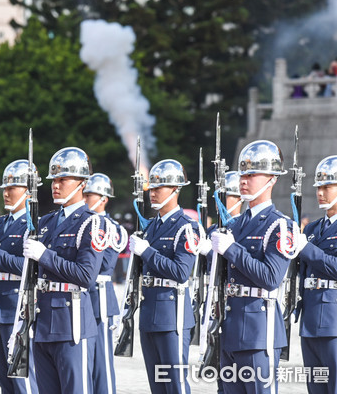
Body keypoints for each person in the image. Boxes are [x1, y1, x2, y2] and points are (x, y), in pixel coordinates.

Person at [210, 140, 299, 393]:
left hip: (260, 332)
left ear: (272, 179)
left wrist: (231, 249)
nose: (243, 180)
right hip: (229, 328)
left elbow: (271, 277)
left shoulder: (280, 225)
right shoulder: (234, 226)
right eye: (242, 173)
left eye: (251, 174)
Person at [22, 147, 105, 393]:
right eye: (53, 180)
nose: (55, 185)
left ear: (81, 183)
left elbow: (86, 276)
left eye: (62, 180)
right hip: (43, 320)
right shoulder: (45, 223)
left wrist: (44, 255)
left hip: (71, 324)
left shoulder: (91, 222)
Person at [128, 159, 198, 394]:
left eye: (160, 188)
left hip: (172, 317)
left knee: (175, 385)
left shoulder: (186, 227)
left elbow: (180, 272)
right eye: (152, 187)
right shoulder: (151, 227)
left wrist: (146, 251)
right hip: (150, 315)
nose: (153, 193)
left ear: (176, 189)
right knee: (157, 387)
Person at [0, 159, 39, 394]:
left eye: (13, 187)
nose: (6, 192)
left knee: (22, 380)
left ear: (28, 190)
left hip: (17, 306)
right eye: (5, 188)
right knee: (4, 379)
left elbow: (31, 267)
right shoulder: (0, 224)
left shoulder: (34, 225)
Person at [296, 155, 337, 394]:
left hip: (333, 321)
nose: (320, 192)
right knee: (316, 388)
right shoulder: (311, 229)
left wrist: (306, 249)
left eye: (327, 187)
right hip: (310, 320)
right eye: (318, 187)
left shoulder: (309, 237)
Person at [83, 173, 127, 394]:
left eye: (89, 195)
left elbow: (103, 264)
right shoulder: (81, 224)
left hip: (99, 298)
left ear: (104, 198)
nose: (85, 199)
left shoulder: (111, 227)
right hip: (81, 299)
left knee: (102, 364)